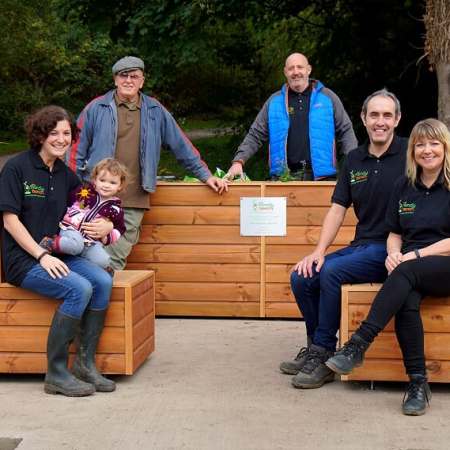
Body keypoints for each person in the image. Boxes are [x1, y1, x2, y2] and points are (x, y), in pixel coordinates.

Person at [281, 89, 407, 389]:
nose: (380, 121)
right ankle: (315, 347)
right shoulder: (354, 159)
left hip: (393, 249)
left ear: (397, 119)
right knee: (302, 275)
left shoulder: (410, 154)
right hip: (361, 246)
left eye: (387, 115)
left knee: (333, 271)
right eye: (374, 115)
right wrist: (318, 251)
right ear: (363, 118)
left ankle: (324, 353)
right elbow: (338, 210)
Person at [326, 118, 450, 415]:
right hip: (412, 267)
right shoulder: (403, 186)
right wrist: (393, 254)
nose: (427, 150)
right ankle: (417, 383)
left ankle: (358, 343)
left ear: (445, 148)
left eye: (434, 143)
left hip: (443, 264)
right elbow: (394, 233)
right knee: (406, 299)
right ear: (413, 151)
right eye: (420, 144)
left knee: (405, 272)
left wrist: (414, 255)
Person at [67, 56, 228, 270]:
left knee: (113, 260)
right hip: (93, 197)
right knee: (84, 253)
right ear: (115, 79)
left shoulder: (155, 110)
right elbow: (75, 149)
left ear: (142, 81)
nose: (128, 80)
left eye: (134, 76)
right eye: (123, 75)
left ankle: (102, 292)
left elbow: (181, 145)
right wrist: (72, 186)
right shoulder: (96, 107)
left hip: (133, 199)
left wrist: (205, 175)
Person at [0, 106, 116, 397]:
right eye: (54, 133)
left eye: (67, 133)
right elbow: (9, 220)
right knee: (79, 288)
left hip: (59, 255)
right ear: (40, 135)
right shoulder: (17, 168)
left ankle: (85, 365)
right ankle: (57, 373)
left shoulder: (67, 175)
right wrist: (41, 256)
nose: (62, 139)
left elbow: (90, 206)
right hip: (24, 260)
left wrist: (107, 224)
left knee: (102, 281)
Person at [226, 52, 357, 181]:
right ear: (285, 72)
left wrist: (353, 163)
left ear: (309, 70)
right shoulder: (274, 101)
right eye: (291, 68)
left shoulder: (328, 97)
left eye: (300, 67)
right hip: (283, 179)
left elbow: (346, 131)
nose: (295, 72)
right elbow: (256, 134)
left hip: (324, 179)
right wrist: (238, 161)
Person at [39, 158, 128, 272]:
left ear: (120, 186)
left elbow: (120, 228)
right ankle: (50, 243)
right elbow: (64, 200)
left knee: (103, 260)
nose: (106, 185)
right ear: (95, 180)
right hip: (71, 230)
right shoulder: (84, 192)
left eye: (112, 183)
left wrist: (106, 237)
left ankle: (97, 269)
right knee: (76, 245)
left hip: (90, 241)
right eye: (102, 180)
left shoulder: (116, 209)